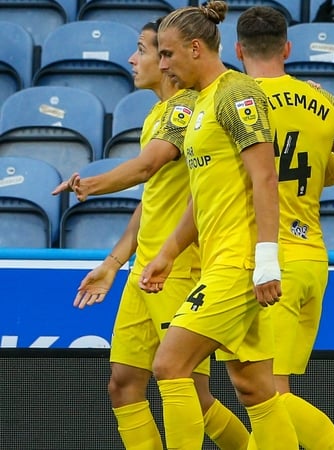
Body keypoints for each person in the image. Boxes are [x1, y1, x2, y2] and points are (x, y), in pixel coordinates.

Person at [50, 19, 249, 450]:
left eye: (145, 50)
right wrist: (112, 263)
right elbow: (151, 199)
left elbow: (146, 167)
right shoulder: (159, 112)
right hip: (145, 269)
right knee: (122, 385)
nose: (134, 59)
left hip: (178, 269)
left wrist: (88, 184)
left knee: (191, 390)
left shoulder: (186, 108)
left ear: (170, 58)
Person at [137, 2, 298, 448]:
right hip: (218, 260)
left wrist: (267, 259)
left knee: (170, 365)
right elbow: (202, 195)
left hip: (241, 261)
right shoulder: (202, 102)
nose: (163, 66)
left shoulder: (236, 93)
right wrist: (168, 253)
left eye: (166, 54)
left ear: (194, 48)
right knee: (254, 386)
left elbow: (266, 176)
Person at [235, 6, 334, 449]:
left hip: (263, 262)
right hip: (311, 261)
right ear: (287, 48)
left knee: (268, 395)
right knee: (268, 393)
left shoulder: (232, 100)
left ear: (237, 49)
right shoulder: (321, 101)